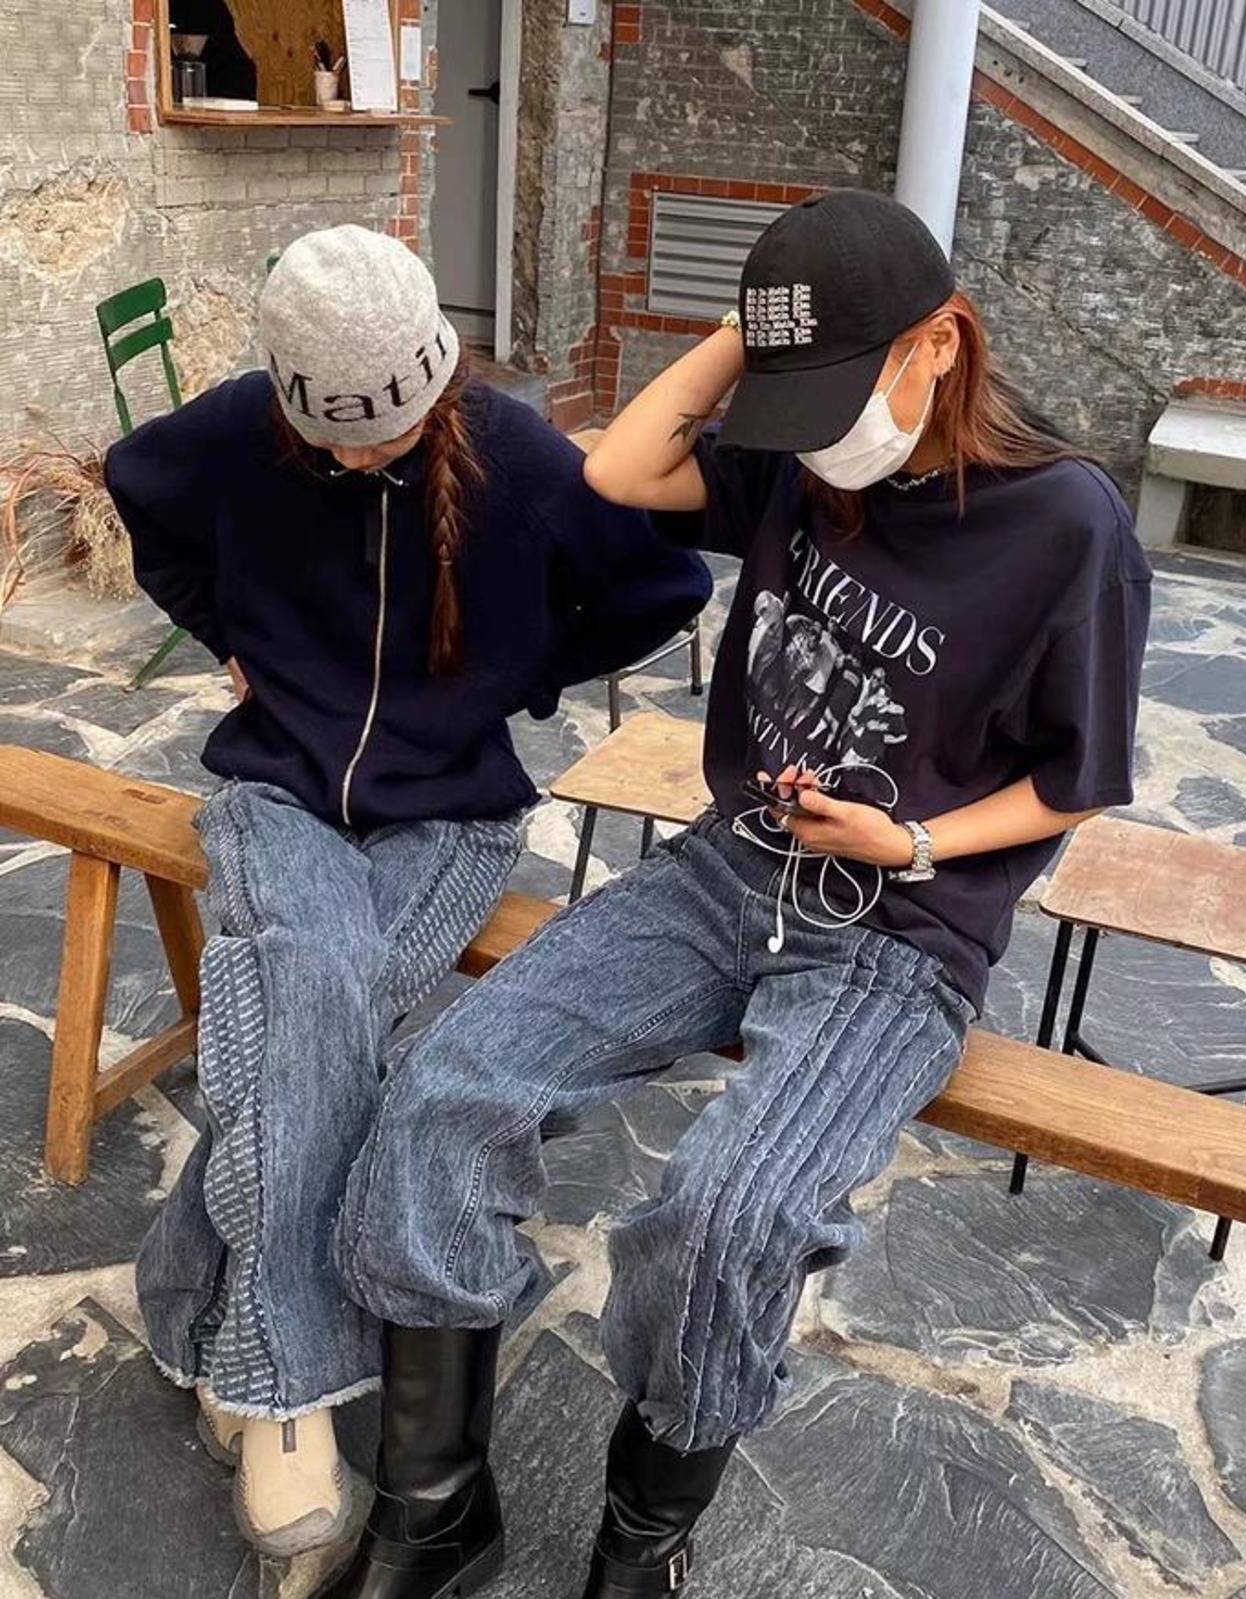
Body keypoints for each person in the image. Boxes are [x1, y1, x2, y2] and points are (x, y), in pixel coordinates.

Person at [326, 190, 1151, 1599]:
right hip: (728, 870)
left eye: (839, 393)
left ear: (942, 342)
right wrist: (762, 332)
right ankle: (436, 1510)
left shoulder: (1067, 525)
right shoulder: (802, 461)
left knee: (733, 1214)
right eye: (795, 401)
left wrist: (911, 844)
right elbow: (617, 467)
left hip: (894, 932)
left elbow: (1079, 783)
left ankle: (638, 1549)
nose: (819, 435)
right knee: (444, 1084)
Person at [103, 224, 711, 1562]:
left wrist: (518, 671)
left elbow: (661, 585)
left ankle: (207, 1313)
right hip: (277, 791)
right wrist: (232, 636)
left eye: (384, 430)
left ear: (432, 377)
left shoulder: (524, 461)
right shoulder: (234, 432)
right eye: (333, 438)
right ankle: (288, 1390)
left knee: (298, 1037)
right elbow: (138, 490)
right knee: (312, 994)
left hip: (452, 811)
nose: (361, 456)